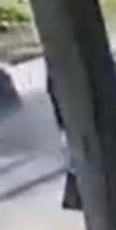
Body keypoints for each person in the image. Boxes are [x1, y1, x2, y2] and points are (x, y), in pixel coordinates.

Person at [47, 74, 83, 211]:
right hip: (69, 121)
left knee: (74, 152)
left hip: (66, 122)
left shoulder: (56, 77)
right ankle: (75, 196)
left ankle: (75, 196)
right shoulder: (61, 77)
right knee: (75, 152)